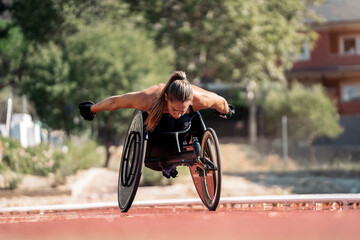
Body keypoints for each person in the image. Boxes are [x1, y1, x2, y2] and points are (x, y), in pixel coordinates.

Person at [79, 71, 235, 177]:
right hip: (156, 133)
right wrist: (92, 109)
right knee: (167, 119)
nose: (178, 113)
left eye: (183, 109)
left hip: (184, 130)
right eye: (174, 109)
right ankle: (166, 162)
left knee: (195, 116)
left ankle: (202, 156)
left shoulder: (199, 99)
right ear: (166, 97)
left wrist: (226, 112)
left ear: (191, 101)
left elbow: (220, 101)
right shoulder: (150, 98)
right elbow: (116, 102)